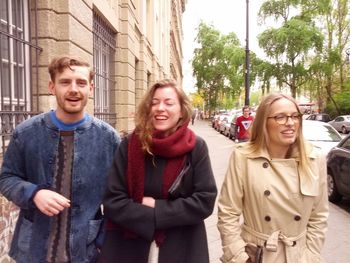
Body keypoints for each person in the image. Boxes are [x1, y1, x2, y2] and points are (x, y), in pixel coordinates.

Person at [0, 56, 120, 263]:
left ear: (91, 89)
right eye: (65, 82)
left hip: (86, 251)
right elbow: (6, 178)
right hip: (33, 251)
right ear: (52, 86)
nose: (74, 89)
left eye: (81, 83)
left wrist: (103, 242)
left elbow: (118, 196)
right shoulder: (25, 133)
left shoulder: (109, 138)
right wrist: (33, 193)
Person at [98, 79, 217, 263]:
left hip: (182, 245)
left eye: (169, 103)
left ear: (181, 111)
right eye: (154, 103)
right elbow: (113, 200)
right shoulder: (129, 145)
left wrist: (157, 208)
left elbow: (205, 200)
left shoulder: (196, 147)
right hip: (129, 248)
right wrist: (154, 217)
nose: (160, 108)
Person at [217, 93, 328, 263]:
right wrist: (239, 257)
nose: (290, 123)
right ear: (264, 123)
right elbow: (228, 213)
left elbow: (318, 216)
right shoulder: (243, 157)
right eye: (280, 117)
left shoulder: (314, 158)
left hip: (298, 257)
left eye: (294, 116)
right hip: (257, 255)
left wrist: (311, 256)